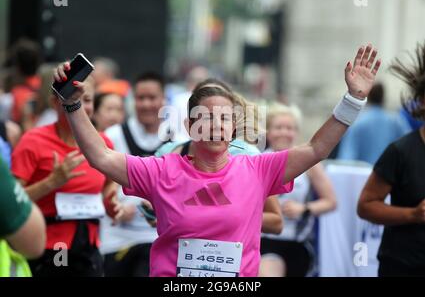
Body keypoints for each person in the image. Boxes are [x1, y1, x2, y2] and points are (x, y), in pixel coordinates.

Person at [54, 44, 381, 276]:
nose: (215, 125)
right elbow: (100, 156)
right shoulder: (161, 169)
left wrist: (353, 100)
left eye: (223, 118)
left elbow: (316, 149)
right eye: (205, 117)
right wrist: (73, 106)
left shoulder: (256, 168)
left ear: (233, 126)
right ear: (189, 125)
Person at [11, 75, 123, 277]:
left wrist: (111, 201)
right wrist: (51, 182)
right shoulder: (33, 141)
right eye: (74, 99)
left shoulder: (102, 144)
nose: (80, 106)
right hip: (49, 246)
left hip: (89, 247)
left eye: (87, 100)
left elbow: (108, 184)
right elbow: (12, 201)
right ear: (55, 102)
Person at [155, 79, 283, 235]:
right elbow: (153, 204)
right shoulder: (168, 153)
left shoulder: (250, 157)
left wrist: (225, 216)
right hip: (178, 251)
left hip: (234, 253)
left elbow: (276, 222)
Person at [358, 42, 425, 277]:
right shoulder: (400, 151)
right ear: (422, 102)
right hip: (403, 264)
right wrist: (413, 215)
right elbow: (365, 206)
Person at [101, 72, 171, 277]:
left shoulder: (178, 139)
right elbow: (101, 185)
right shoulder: (114, 135)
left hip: (157, 237)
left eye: (153, 98)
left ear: (163, 100)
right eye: (141, 98)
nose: (147, 104)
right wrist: (115, 206)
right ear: (133, 101)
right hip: (117, 237)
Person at [260, 103, 336, 277]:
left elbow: (331, 202)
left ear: (297, 132)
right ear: (268, 131)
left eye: (290, 128)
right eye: (279, 127)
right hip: (265, 240)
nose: (284, 133)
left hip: (298, 243)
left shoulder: (308, 163)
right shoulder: (258, 160)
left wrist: (304, 209)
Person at [337, 82, 410, 165]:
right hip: (388, 175)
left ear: (368, 97)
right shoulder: (396, 121)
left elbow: (346, 159)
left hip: (364, 176)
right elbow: (409, 147)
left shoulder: (358, 122)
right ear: (383, 98)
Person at [0, 156, 46, 276]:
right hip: (55, 241)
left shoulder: (94, 145)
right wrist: (52, 182)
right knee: (61, 266)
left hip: (87, 236)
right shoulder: (33, 143)